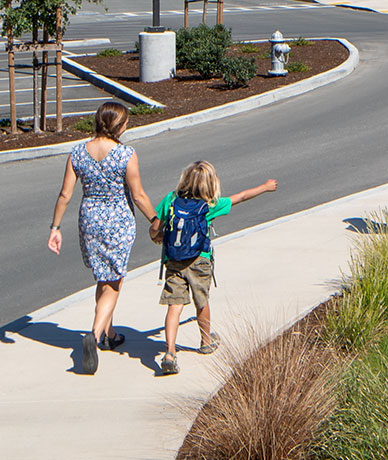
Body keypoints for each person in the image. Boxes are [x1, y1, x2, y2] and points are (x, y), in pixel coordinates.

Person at [46, 101, 158, 375]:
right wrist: (156, 220)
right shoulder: (125, 154)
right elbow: (138, 195)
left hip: (89, 220)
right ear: (119, 126)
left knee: (103, 277)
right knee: (114, 281)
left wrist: (55, 228)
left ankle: (110, 334)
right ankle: (94, 336)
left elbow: (64, 195)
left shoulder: (77, 153)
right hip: (117, 222)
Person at [148, 161, 277, 376]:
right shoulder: (210, 204)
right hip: (200, 259)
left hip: (173, 259)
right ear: (210, 184)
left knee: (174, 305)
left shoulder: (170, 200)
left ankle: (170, 352)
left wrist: (157, 237)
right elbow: (242, 196)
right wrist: (265, 187)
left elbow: (154, 228)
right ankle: (206, 341)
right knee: (201, 301)